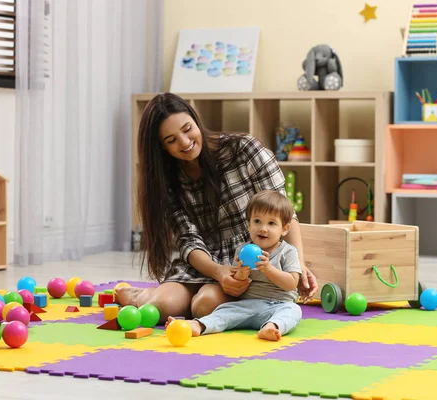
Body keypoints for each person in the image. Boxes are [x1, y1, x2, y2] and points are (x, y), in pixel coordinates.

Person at [115, 92, 318, 322]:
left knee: (205, 306)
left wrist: (299, 265)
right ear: (162, 147)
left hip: (246, 263)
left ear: (196, 120)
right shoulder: (167, 181)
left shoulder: (244, 150)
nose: (184, 142)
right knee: (161, 307)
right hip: (203, 262)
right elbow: (188, 240)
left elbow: (285, 213)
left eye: (187, 128)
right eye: (171, 140)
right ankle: (143, 295)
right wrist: (217, 271)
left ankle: (174, 300)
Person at [166, 190, 303, 341]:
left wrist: (268, 269)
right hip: (246, 305)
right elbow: (237, 288)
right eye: (257, 221)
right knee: (224, 310)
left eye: (271, 223)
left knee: (294, 311)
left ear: (284, 229)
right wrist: (241, 274)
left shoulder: (288, 252)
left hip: (279, 305)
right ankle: (197, 325)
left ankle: (272, 327)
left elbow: (291, 283)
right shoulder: (243, 251)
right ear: (249, 225)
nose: (263, 228)